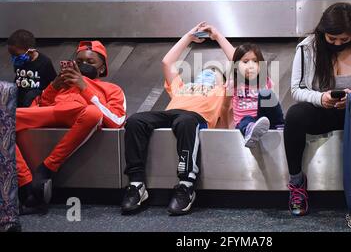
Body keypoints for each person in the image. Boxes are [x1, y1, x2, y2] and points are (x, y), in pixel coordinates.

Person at [284, 3, 351, 216]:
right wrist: (321, 98)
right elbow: (297, 89)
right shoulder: (307, 48)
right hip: (322, 110)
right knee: (294, 115)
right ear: (323, 33)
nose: (337, 43)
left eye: (344, 40)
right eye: (332, 39)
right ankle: (296, 182)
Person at [121, 22, 230, 216]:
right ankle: (136, 184)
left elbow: (237, 61)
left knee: (185, 121)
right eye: (205, 72)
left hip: (196, 117)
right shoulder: (183, 87)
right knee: (136, 120)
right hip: (173, 112)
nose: (208, 74)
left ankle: (186, 185)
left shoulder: (222, 91)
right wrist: (188, 36)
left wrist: (218, 36)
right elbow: (167, 62)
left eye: (215, 73)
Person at [16, 40, 126, 214]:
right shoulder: (62, 84)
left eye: (90, 62)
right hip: (54, 112)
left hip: (82, 115)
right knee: (4, 118)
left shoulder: (112, 89)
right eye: (79, 61)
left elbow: (117, 121)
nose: (83, 65)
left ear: (102, 69)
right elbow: (40, 106)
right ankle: (26, 184)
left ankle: (46, 168)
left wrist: (84, 86)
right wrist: (54, 86)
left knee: (92, 113)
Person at [7, 29, 57, 107]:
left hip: (35, 104)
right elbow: (18, 78)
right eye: (12, 55)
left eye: (17, 55)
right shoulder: (18, 62)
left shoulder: (44, 62)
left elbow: (53, 83)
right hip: (19, 102)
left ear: (30, 50)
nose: (14, 58)